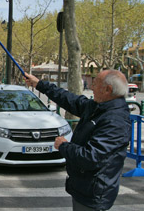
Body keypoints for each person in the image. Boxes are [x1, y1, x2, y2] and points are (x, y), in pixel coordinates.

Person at [24, 70, 130, 211]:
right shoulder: (99, 107)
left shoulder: (115, 120)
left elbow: (91, 157)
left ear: (107, 89)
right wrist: (40, 84)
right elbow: (70, 100)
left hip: (94, 193)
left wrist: (64, 146)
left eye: (96, 83)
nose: (92, 87)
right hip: (85, 187)